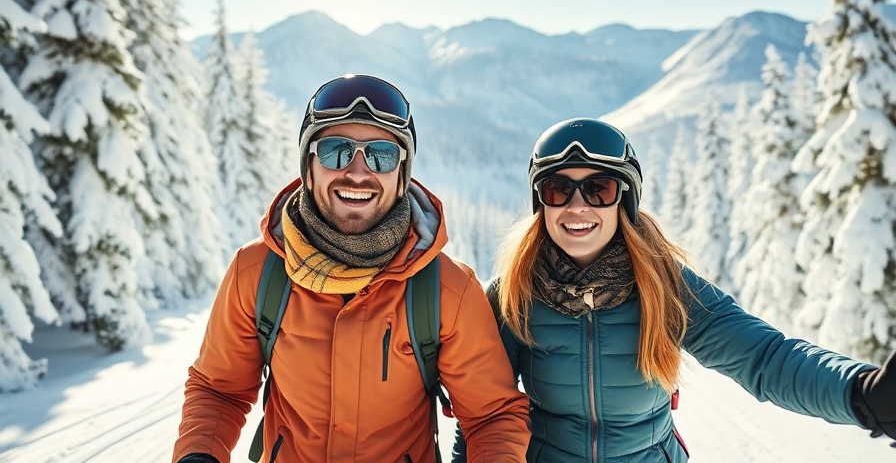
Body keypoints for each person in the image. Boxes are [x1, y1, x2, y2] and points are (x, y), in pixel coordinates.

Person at [452, 117, 896, 462]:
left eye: (598, 188)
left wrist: (861, 393)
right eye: (557, 188)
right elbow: (483, 413)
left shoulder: (667, 287)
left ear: (624, 200)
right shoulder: (512, 296)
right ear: (540, 202)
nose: (577, 205)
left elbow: (765, 358)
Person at [172, 74, 530, 463]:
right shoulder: (257, 273)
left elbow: (491, 415)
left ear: (401, 175)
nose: (358, 173)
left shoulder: (447, 289)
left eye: (381, 154)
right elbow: (218, 389)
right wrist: (198, 455)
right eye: (335, 151)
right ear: (309, 167)